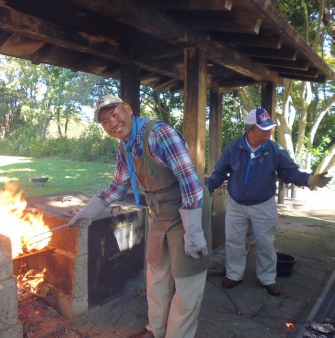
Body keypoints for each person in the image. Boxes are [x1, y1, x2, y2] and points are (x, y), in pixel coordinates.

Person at [68, 94, 212, 338]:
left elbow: (190, 183)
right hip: (159, 213)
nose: (112, 123)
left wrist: (193, 231)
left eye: (114, 114)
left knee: (187, 283)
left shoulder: (160, 134)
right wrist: (88, 212)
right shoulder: (124, 147)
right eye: (104, 122)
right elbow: (118, 187)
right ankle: (155, 330)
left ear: (128, 109)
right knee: (156, 275)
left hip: (188, 209)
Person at [205, 107, 332, 297]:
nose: (268, 133)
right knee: (233, 242)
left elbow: (289, 172)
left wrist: (308, 180)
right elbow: (220, 171)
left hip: (263, 205)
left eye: (269, 129)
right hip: (236, 205)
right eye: (263, 130)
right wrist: (206, 188)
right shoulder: (234, 147)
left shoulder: (275, 150)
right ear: (250, 130)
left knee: (265, 243)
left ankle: (267, 278)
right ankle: (234, 274)